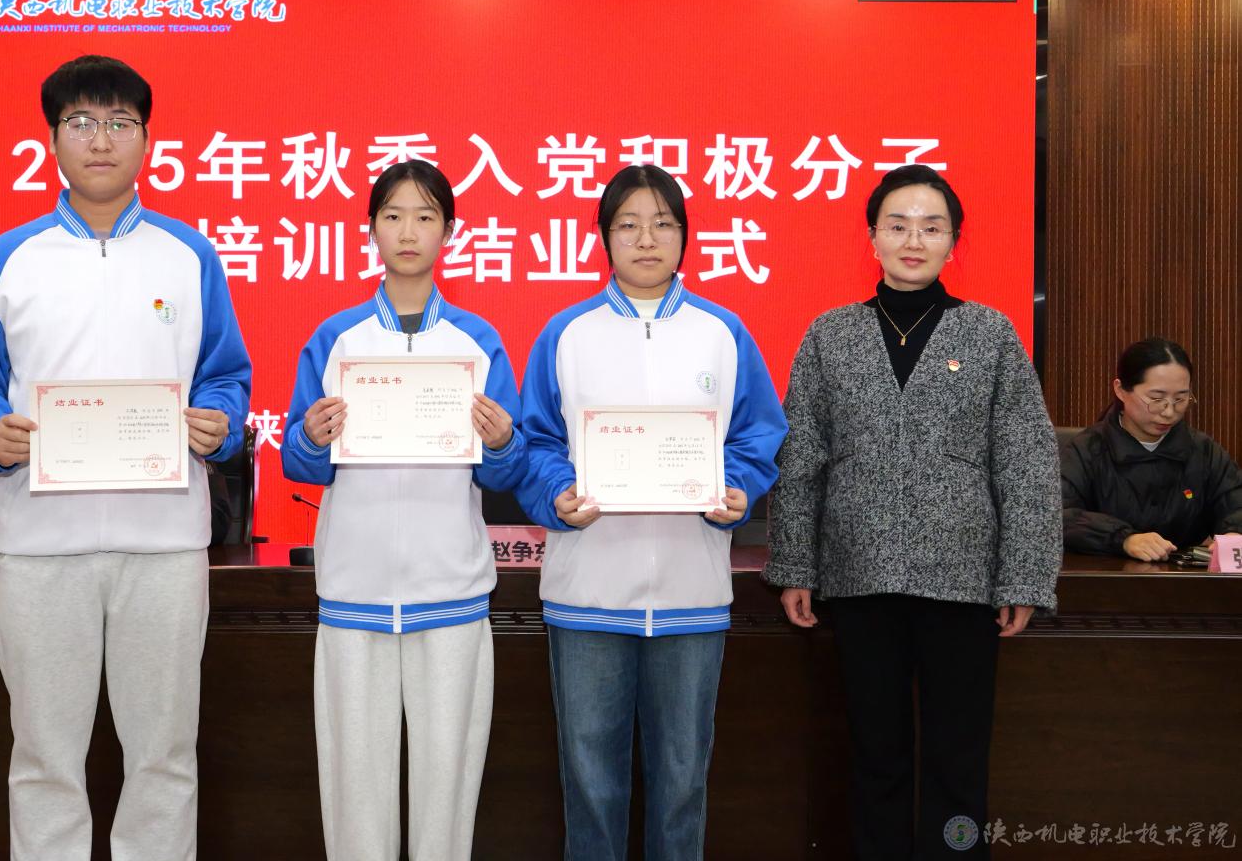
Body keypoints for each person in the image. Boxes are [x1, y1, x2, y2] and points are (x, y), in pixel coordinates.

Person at [0, 54, 251, 861]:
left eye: (119, 123)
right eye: (80, 122)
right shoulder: (10, 256)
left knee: (164, 757)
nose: (100, 140)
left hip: (165, 546)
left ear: (148, 140)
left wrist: (219, 421)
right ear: (52, 140)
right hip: (41, 546)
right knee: (44, 759)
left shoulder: (189, 254)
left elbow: (226, 375)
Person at [764, 163, 1061, 860]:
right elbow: (801, 457)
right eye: (897, 225)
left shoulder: (989, 334)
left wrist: (1023, 575)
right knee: (876, 755)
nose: (913, 240)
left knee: (959, 761)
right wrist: (795, 565)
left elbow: (1026, 461)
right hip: (858, 576)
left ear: (954, 242)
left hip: (962, 581)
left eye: (932, 227)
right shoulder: (830, 335)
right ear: (872, 237)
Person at [515, 164, 787, 860]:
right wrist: (557, 493)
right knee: (590, 784)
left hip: (691, 592)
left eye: (663, 224)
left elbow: (760, 433)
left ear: (684, 236)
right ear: (604, 238)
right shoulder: (567, 333)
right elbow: (536, 440)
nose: (646, 239)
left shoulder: (722, 332)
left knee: (682, 783)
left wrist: (736, 488)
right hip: (588, 593)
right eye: (628, 225)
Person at [281, 159, 526, 861]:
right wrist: (311, 437)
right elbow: (299, 460)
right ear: (371, 230)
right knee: (355, 790)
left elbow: (511, 468)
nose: (409, 232)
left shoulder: (477, 342)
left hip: (451, 592)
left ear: (450, 231)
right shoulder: (337, 339)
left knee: (447, 789)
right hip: (354, 592)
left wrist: (501, 440)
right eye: (393, 216)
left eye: (425, 216)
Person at [1063, 338, 1242, 560]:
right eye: (1156, 398)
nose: (1169, 412)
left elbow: (1235, 502)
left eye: (1180, 399)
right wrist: (1124, 539)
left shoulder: (1204, 451)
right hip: (1105, 576)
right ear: (1120, 390)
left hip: (1184, 578)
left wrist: (1235, 534)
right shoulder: (1086, 451)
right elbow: (1058, 516)